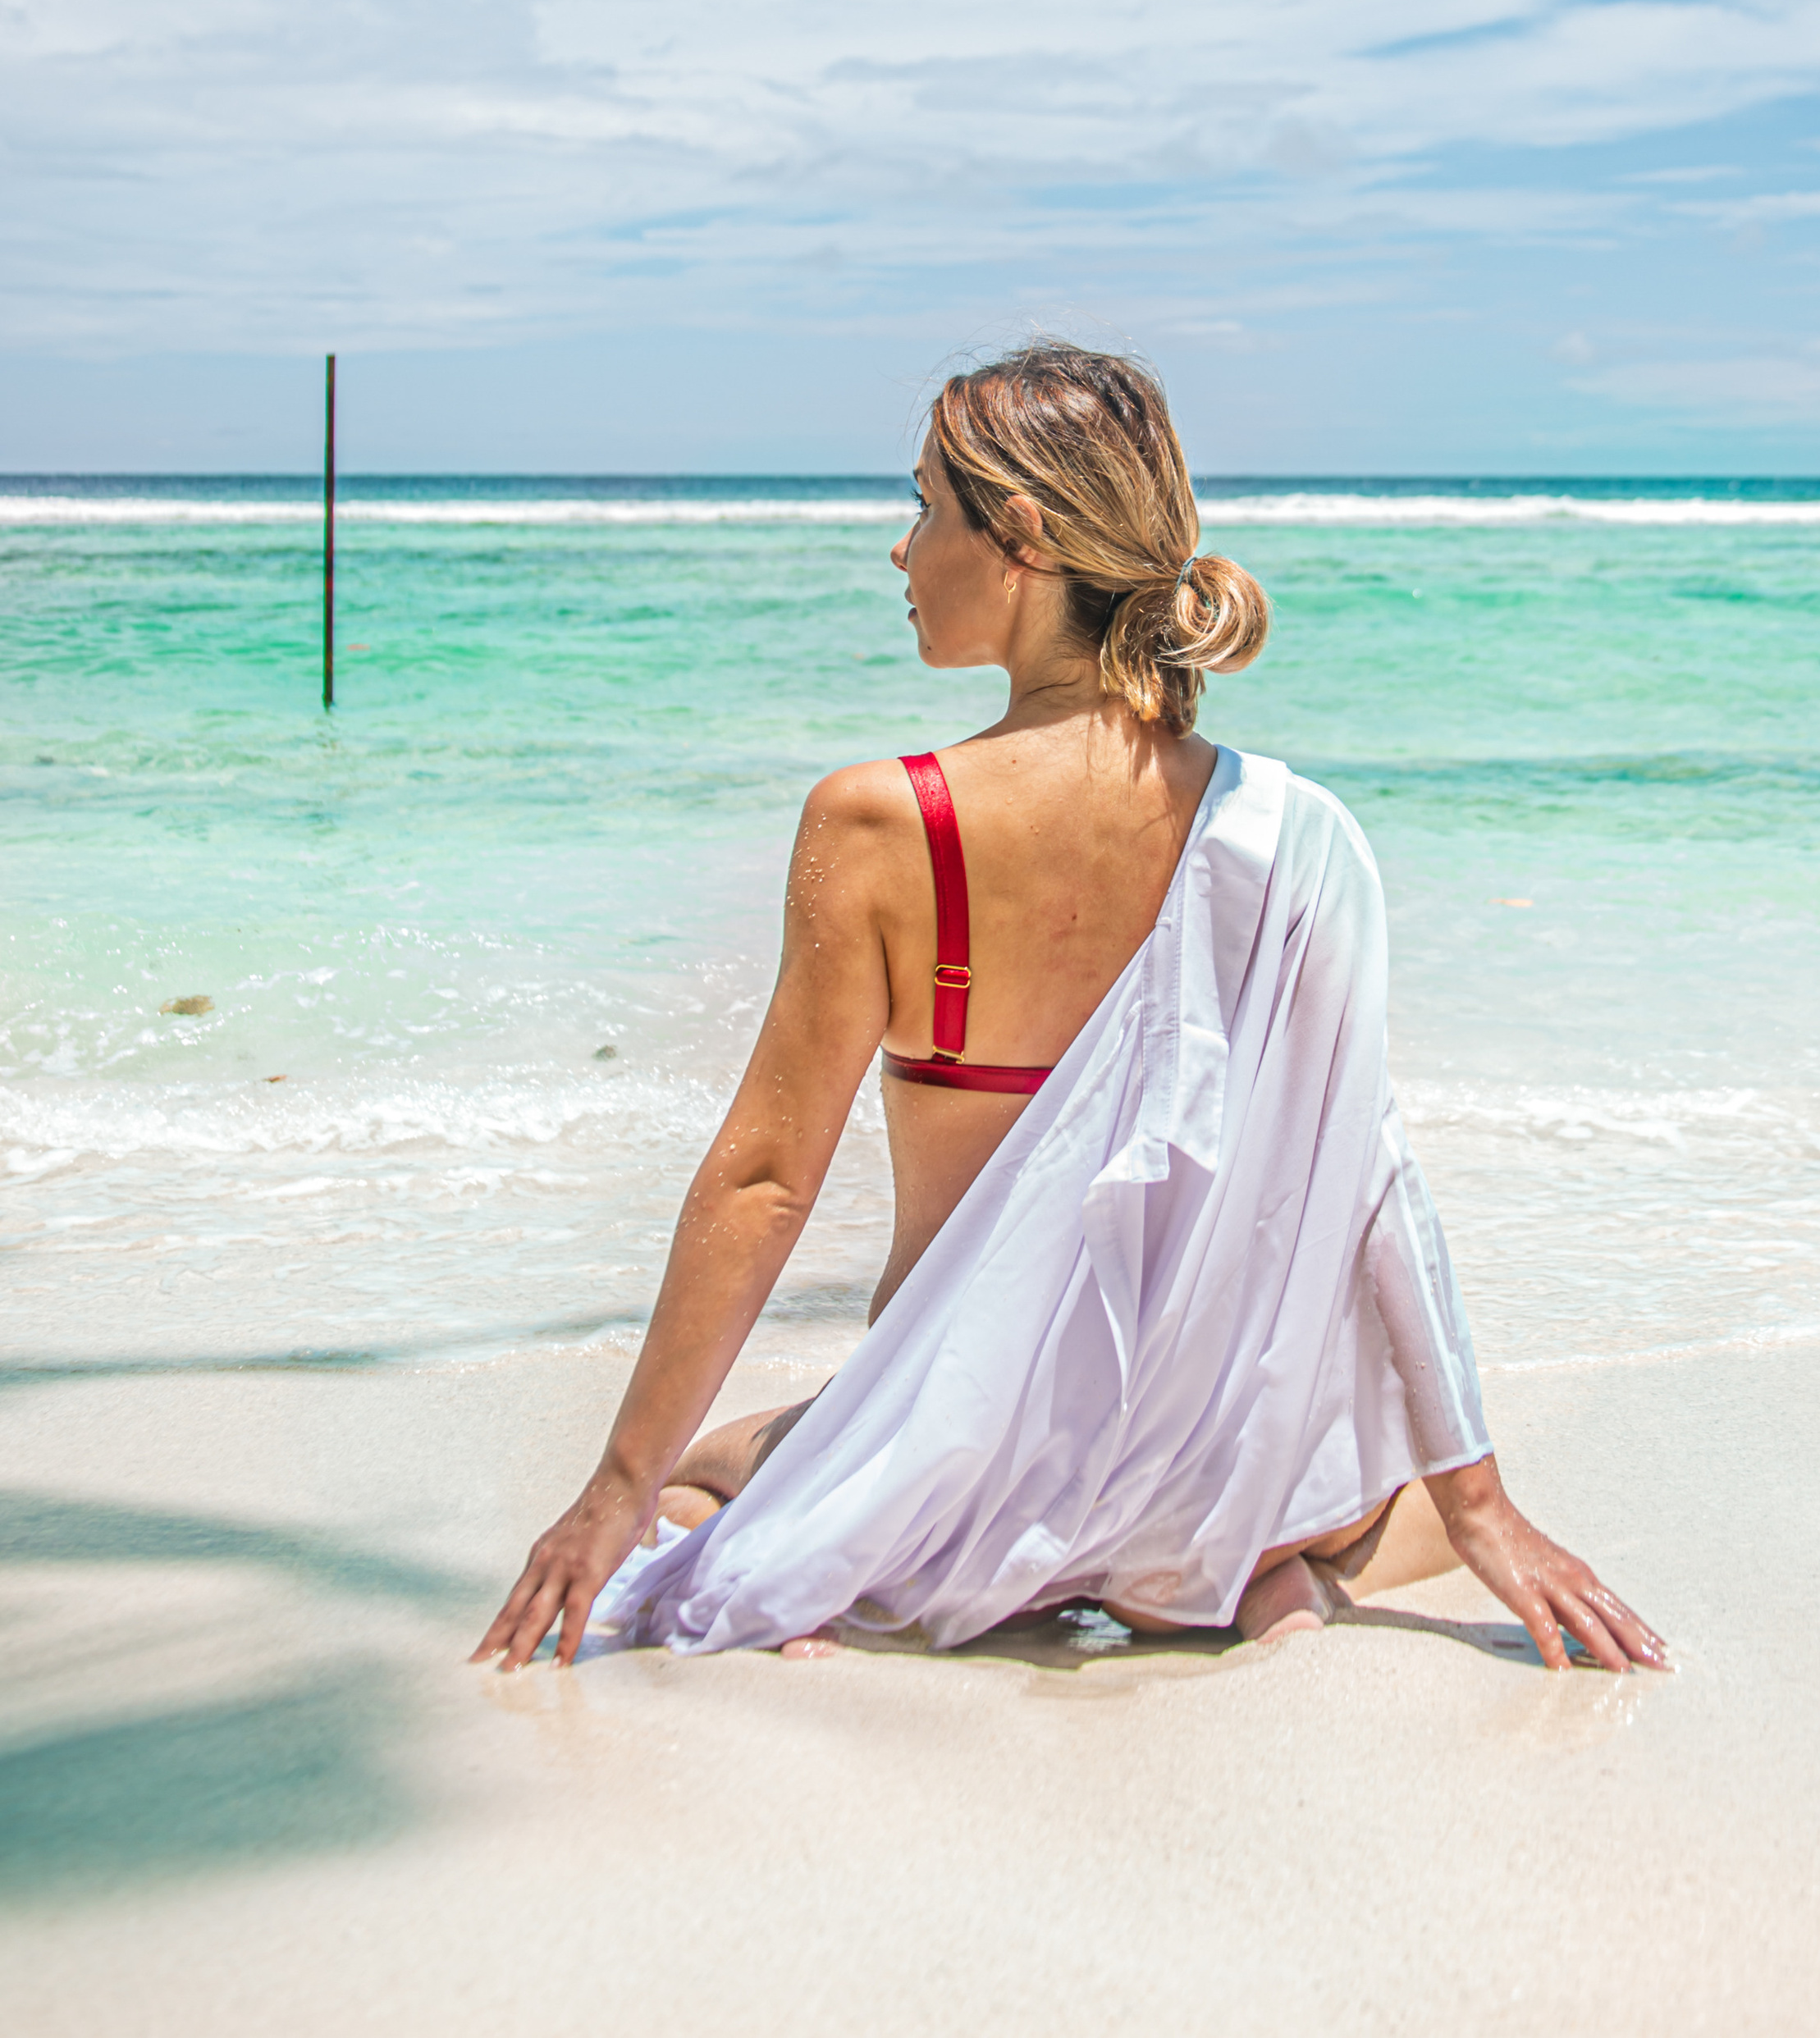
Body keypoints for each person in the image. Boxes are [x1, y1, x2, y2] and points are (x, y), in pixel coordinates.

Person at [474, 345, 1664, 1677]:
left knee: (702, 1478)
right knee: (1373, 1506)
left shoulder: (882, 822)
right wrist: (1482, 1509)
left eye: (925, 506)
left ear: (1023, 536)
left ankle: (909, 1580)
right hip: (1195, 1482)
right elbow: (1376, 1179)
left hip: (954, 1471)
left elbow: (763, 1180)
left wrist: (617, 1495)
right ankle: (1276, 1576)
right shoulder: (1298, 835)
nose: (899, 551)